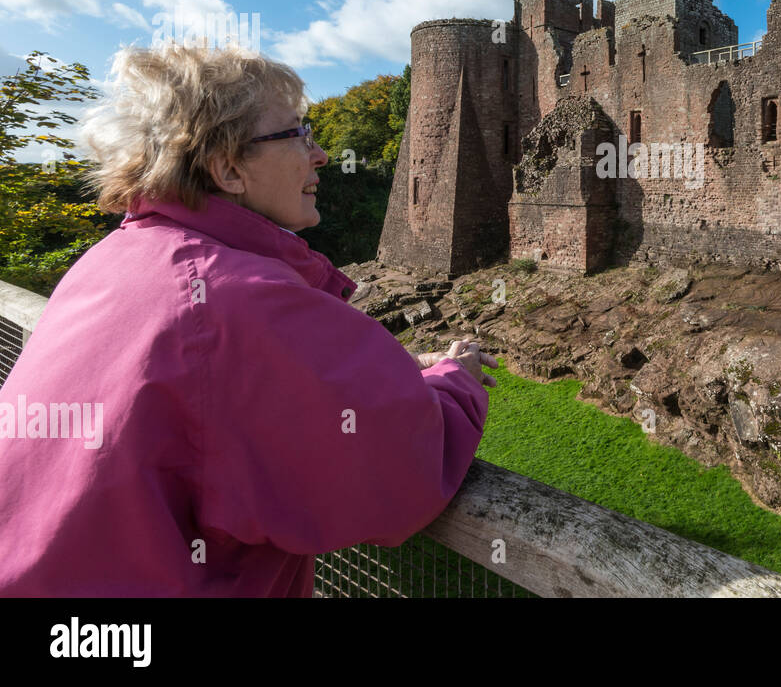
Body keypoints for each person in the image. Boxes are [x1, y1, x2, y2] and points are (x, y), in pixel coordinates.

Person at [0, 43, 496, 596]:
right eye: (298, 134)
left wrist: (402, 369)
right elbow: (400, 468)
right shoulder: (237, 296)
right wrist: (456, 381)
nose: (322, 154)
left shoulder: (112, 260)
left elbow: (206, 392)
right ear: (228, 168)